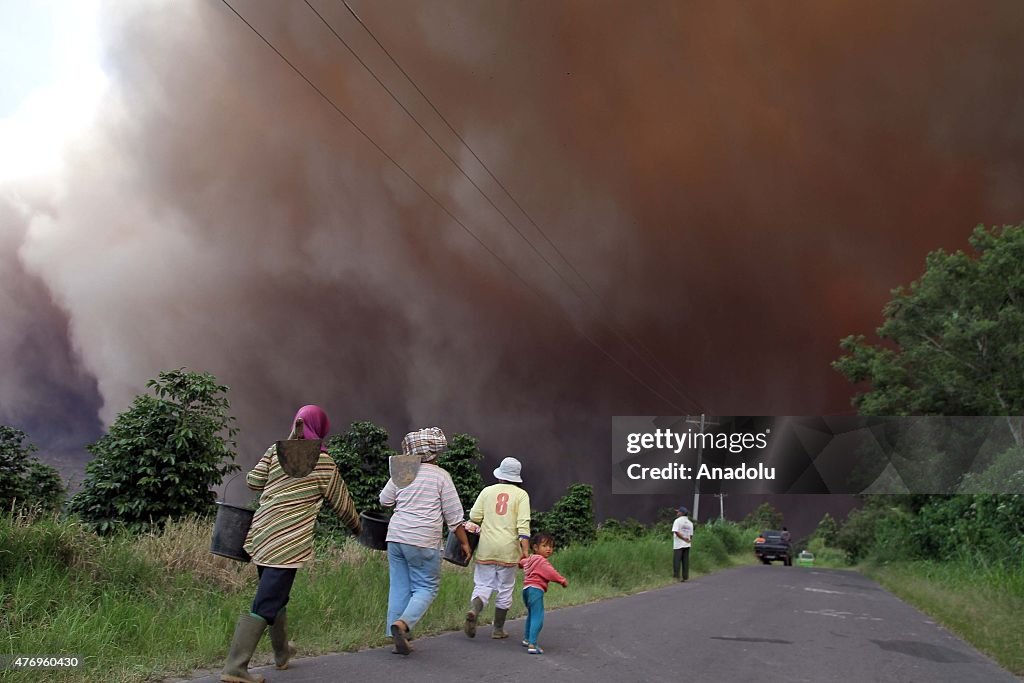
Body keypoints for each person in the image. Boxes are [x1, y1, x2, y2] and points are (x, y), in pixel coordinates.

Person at [221, 405, 361, 683]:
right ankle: (235, 667)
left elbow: (253, 481)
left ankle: (282, 653)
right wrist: (359, 528)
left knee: (276, 596)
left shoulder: (276, 450)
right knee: (267, 600)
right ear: (320, 428)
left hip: (262, 537)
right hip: (289, 544)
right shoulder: (324, 464)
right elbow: (343, 506)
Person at [379, 427, 472, 656]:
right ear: (434, 453)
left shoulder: (402, 470)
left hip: (396, 537)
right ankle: (403, 625)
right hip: (423, 539)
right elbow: (454, 516)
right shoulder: (441, 476)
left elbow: (384, 500)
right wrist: (464, 543)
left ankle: (396, 634)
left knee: (400, 585)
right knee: (426, 587)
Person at [464, 457, 531, 639]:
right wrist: (525, 552)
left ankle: (474, 611)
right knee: (505, 588)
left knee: (483, 585)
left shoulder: (487, 491)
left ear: (500, 475)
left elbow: (474, 516)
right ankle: (498, 629)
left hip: (487, 547)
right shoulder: (521, 495)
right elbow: (523, 525)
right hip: (509, 550)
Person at [519, 532, 567, 655]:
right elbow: (551, 573)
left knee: (531, 615)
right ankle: (533, 644)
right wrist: (562, 580)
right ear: (535, 547)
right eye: (545, 546)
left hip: (526, 590)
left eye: (551, 546)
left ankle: (527, 638)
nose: (549, 549)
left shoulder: (530, 559)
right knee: (538, 616)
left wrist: (520, 561)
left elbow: (521, 563)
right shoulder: (541, 561)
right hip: (536, 590)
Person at [672, 506, 693, 582]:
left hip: (678, 544)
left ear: (681, 513)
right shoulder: (690, 523)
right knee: (685, 560)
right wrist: (688, 541)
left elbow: (676, 532)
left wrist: (683, 538)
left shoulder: (677, 521)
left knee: (677, 560)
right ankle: (685, 576)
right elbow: (691, 535)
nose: (677, 513)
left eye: (678, 512)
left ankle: (676, 576)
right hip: (687, 544)